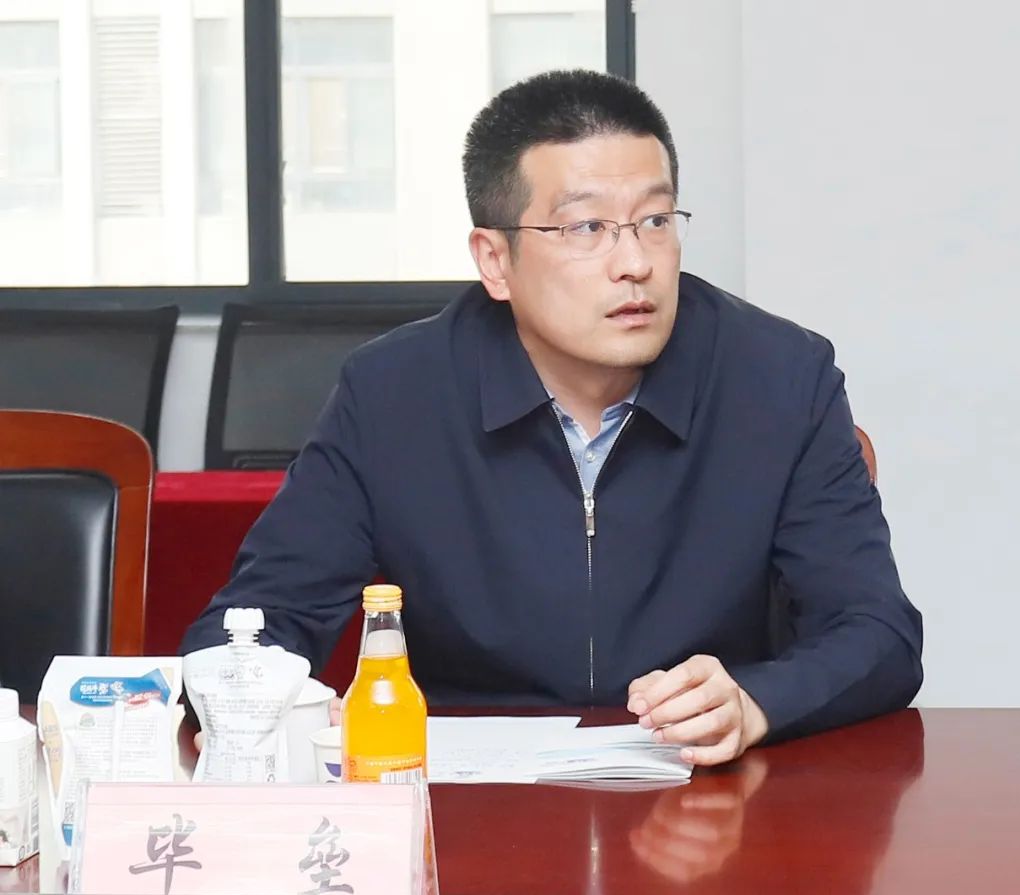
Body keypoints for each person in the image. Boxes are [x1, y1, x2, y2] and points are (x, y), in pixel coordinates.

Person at [181, 69, 922, 765]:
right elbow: (255, 623)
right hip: (472, 806)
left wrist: (755, 702)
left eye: (655, 220)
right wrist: (274, 703)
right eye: (586, 228)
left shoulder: (780, 379)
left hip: (706, 796)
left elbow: (878, 633)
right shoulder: (392, 394)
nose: (635, 263)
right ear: (494, 260)